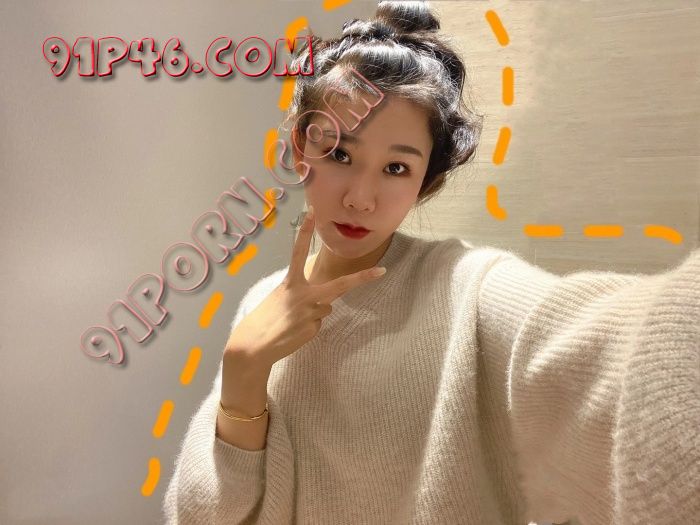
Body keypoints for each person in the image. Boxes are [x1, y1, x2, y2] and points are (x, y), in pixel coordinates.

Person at [163, 2, 699, 524]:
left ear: (427, 180)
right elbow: (198, 516)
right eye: (341, 154)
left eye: (396, 168)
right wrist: (243, 371)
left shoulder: (468, 291)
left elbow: (611, 352)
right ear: (302, 149)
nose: (360, 198)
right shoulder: (261, 302)